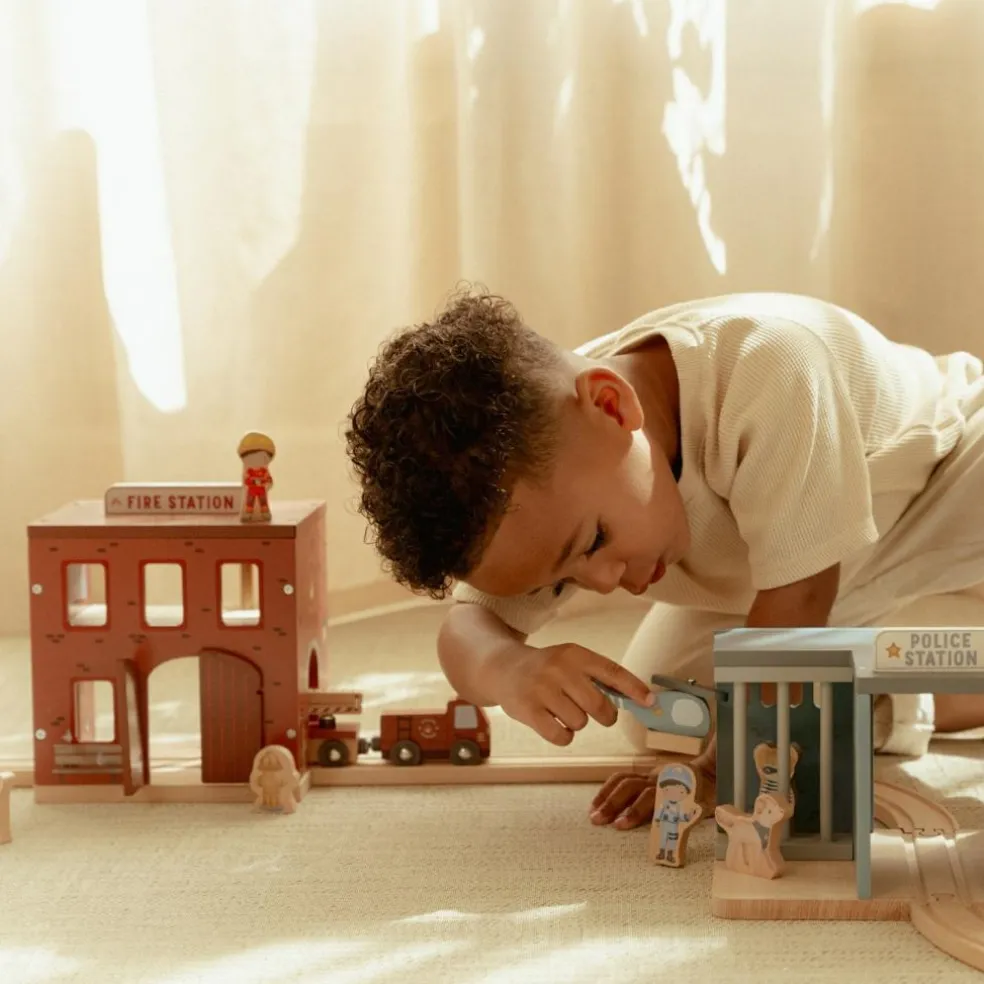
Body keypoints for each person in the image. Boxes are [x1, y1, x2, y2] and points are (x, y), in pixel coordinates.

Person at [344, 286, 984, 829]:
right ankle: (927, 696)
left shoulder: (769, 367)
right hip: (785, 577)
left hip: (936, 480)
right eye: (565, 579)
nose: (601, 582)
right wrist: (510, 666)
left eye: (592, 542)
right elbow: (467, 630)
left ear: (612, 406)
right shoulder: (541, 482)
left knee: (747, 706)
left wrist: (714, 774)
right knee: (662, 709)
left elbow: (796, 610)